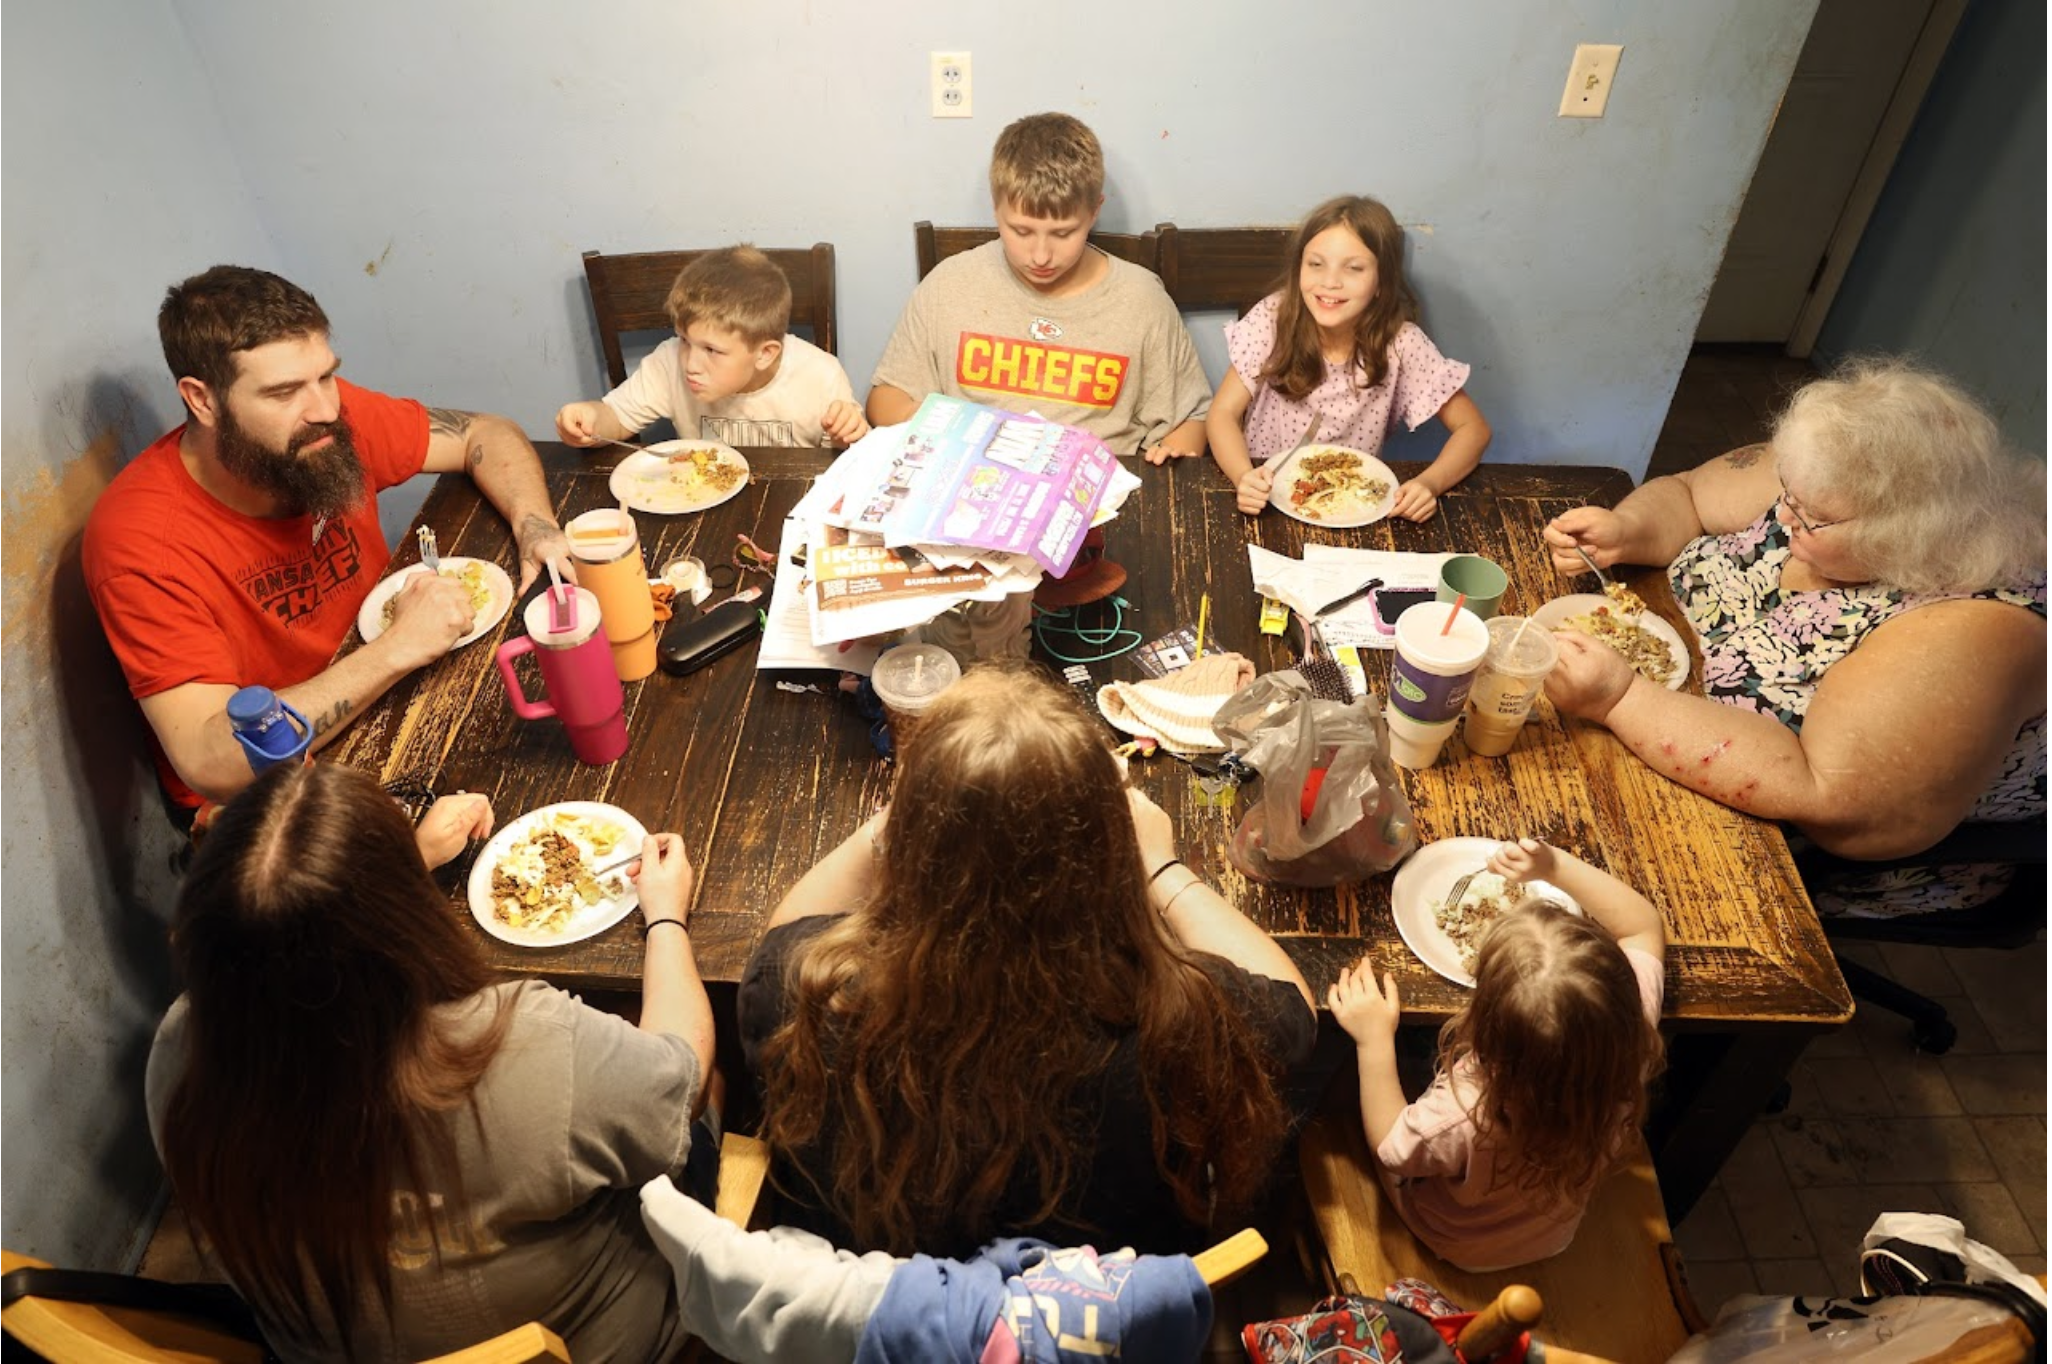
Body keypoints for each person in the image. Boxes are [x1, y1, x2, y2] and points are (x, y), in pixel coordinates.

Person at [738, 664, 1316, 1257]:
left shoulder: (812, 995)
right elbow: (1293, 1011)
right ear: (1107, 849)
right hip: (1104, 1305)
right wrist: (1160, 865)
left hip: (899, 1301)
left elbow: (782, 940)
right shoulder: (1177, 1019)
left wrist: (916, 806)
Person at [146, 762, 716, 1361]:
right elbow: (687, 1081)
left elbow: (294, 962)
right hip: (588, 1343)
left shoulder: (178, 1056)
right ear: (405, 917)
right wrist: (665, 916)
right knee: (703, 1066)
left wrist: (402, 860)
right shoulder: (524, 1042)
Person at [1540, 358, 2046, 916]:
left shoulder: (1972, 634)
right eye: (1787, 492)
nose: (1783, 516)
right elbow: (1686, 493)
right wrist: (1628, 530)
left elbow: (1831, 798)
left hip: (1779, 852)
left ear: (1907, 539)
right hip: (1651, 705)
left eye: (1811, 518)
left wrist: (1621, 698)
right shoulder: (1823, 473)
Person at [82, 265, 575, 816]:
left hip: (401, 691)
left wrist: (535, 523)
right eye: (284, 391)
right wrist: (398, 648)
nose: (325, 410)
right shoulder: (140, 539)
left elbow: (486, 432)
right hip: (278, 795)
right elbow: (209, 760)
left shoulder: (321, 420)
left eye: (326, 376)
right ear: (203, 400)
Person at [1328, 838, 1666, 1271]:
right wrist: (1554, 866)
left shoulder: (1464, 1112)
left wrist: (1373, 1041)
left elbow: (1392, 1148)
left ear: (1484, 1025)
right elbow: (1642, 928)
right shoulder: (1630, 1042)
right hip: (1549, 1238)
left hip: (1455, 1239)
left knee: (1358, 1090)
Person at [865, 112, 1212, 464]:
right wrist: (919, 422)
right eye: (1021, 231)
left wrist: (1173, 452)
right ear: (995, 207)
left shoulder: (1141, 301)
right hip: (969, 477)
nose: (1041, 256)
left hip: (1099, 483)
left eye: (1063, 233)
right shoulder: (949, 285)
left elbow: (1190, 419)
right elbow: (885, 398)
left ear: (1094, 211)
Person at [1210, 195, 1490, 521]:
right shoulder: (1273, 318)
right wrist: (1243, 476)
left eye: (1354, 268)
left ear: (1381, 282)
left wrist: (1429, 484)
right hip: (1267, 499)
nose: (1330, 282)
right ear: (1299, 269)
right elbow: (1223, 413)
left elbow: (1474, 429)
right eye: (1316, 264)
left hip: (1353, 507)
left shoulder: (1402, 344)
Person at [555, 245, 869, 451]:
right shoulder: (668, 363)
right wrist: (590, 419)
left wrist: (847, 436)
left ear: (764, 353)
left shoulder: (821, 376)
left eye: (712, 350)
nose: (690, 364)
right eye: (684, 340)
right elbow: (616, 418)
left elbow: (845, 462)